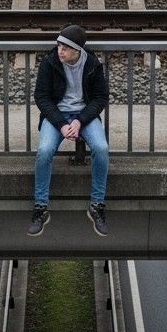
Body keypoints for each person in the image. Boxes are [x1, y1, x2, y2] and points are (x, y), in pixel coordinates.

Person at [29, 25, 110, 238]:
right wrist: (62, 124)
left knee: (101, 148)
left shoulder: (92, 64)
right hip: (57, 116)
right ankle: (40, 208)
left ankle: (97, 205)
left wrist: (80, 121)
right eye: (58, 46)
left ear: (78, 51)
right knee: (44, 151)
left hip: (84, 116)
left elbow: (100, 98)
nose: (60, 51)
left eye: (65, 48)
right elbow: (42, 98)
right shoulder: (50, 62)